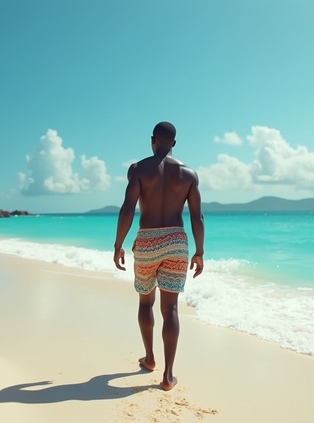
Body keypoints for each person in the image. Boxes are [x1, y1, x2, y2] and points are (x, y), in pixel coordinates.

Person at [113, 121, 205, 391]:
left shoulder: (139, 169)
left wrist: (118, 244)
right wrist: (199, 252)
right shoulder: (189, 174)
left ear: (152, 140)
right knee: (171, 308)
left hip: (147, 240)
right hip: (177, 241)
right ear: (174, 143)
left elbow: (127, 208)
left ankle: (150, 358)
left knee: (145, 302)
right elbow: (197, 217)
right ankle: (168, 376)